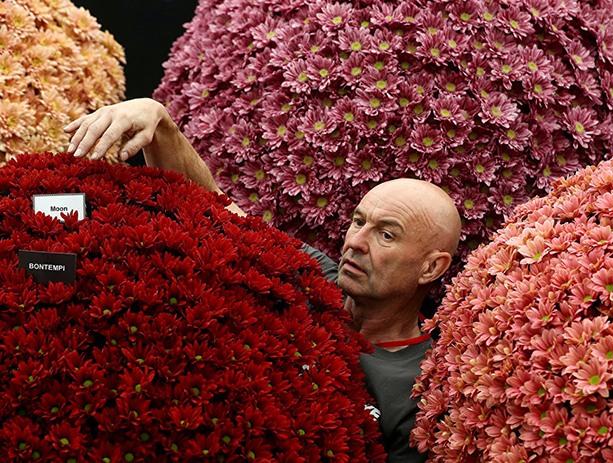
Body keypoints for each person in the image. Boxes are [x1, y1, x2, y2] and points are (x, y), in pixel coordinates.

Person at [64, 98, 462, 462]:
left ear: (431, 268)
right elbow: (216, 209)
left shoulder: (422, 388)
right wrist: (160, 122)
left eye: (385, 234)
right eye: (359, 221)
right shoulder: (311, 278)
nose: (355, 242)